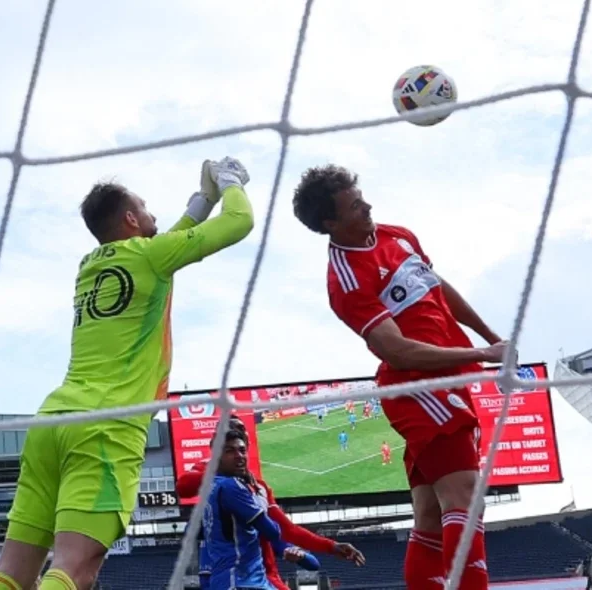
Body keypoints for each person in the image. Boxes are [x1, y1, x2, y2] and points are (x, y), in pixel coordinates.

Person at [0, 158, 256, 590]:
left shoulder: (90, 265)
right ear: (131, 218)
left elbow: (166, 243)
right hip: (106, 429)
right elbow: (240, 221)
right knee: (74, 569)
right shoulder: (152, 256)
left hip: (53, 423)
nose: (153, 215)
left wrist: (201, 202)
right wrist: (229, 182)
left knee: (11, 575)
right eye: (145, 208)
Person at [292, 164, 509, 590]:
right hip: (416, 387)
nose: (368, 205)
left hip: (448, 382)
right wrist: (484, 353)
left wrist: (491, 336)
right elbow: (397, 349)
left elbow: (436, 286)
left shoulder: (398, 235)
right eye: (355, 206)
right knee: (467, 498)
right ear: (330, 223)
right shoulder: (346, 280)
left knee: (430, 514)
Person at [178, 417, 366, 590]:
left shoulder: (258, 487)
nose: (236, 434)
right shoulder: (215, 477)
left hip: (260, 575)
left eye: (241, 433)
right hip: (231, 574)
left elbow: (287, 531)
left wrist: (331, 546)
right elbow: (183, 488)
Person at [203, 429, 322, 590]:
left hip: (235, 580)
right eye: (229, 451)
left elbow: (313, 563)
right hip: (241, 581)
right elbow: (272, 532)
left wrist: (294, 552)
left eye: (242, 450)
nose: (239, 456)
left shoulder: (210, 488)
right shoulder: (232, 486)